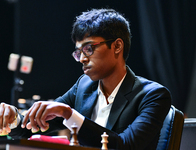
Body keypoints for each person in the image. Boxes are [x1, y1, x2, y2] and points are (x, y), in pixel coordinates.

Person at [0, 8, 171, 150]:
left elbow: (125, 146)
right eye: (78, 52)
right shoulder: (84, 86)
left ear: (117, 46)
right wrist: (13, 118)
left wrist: (69, 114)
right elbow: (31, 128)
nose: (82, 59)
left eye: (89, 48)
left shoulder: (153, 95)